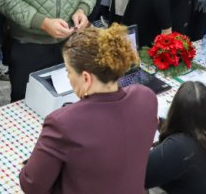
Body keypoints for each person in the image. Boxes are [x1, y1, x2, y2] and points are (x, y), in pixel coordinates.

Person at [19, 25, 157, 193]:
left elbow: (32, 185)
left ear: (86, 78)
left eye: (69, 72)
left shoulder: (63, 122)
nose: (68, 77)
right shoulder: (146, 97)